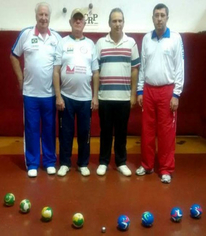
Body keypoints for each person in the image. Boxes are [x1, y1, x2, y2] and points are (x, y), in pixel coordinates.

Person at [10, 2, 61, 178]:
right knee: (32, 129)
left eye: (46, 15)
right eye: (41, 15)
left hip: (50, 94)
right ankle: (32, 163)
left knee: (49, 129)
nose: (44, 18)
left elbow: (62, 64)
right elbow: (13, 56)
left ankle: (48, 162)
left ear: (49, 17)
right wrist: (20, 79)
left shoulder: (56, 38)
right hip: (30, 94)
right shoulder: (26, 34)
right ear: (36, 16)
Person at [136, 3, 184, 184]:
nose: (159, 18)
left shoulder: (176, 38)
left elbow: (180, 67)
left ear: (167, 18)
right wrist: (140, 90)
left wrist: (176, 94)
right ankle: (147, 165)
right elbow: (143, 66)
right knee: (147, 130)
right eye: (156, 15)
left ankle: (165, 168)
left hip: (167, 91)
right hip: (148, 90)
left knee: (166, 132)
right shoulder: (147, 38)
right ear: (152, 18)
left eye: (162, 15)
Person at [53, 9, 99, 177]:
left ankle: (83, 163)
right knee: (65, 133)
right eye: (75, 19)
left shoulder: (90, 45)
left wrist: (95, 96)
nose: (78, 22)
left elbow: (95, 73)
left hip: (86, 99)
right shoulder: (62, 43)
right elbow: (56, 71)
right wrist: (58, 96)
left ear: (84, 23)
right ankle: (64, 163)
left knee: (84, 134)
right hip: (66, 97)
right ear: (71, 22)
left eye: (81, 19)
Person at [95, 8, 140, 177]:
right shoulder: (100, 43)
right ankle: (103, 162)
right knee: (105, 132)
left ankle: (121, 162)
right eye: (114, 21)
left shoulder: (131, 43)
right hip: (105, 97)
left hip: (123, 98)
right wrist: (96, 95)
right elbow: (96, 72)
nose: (117, 24)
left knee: (121, 132)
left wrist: (133, 94)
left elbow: (135, 70)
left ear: (124, 23)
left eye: (120, 21)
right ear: (109, 23)